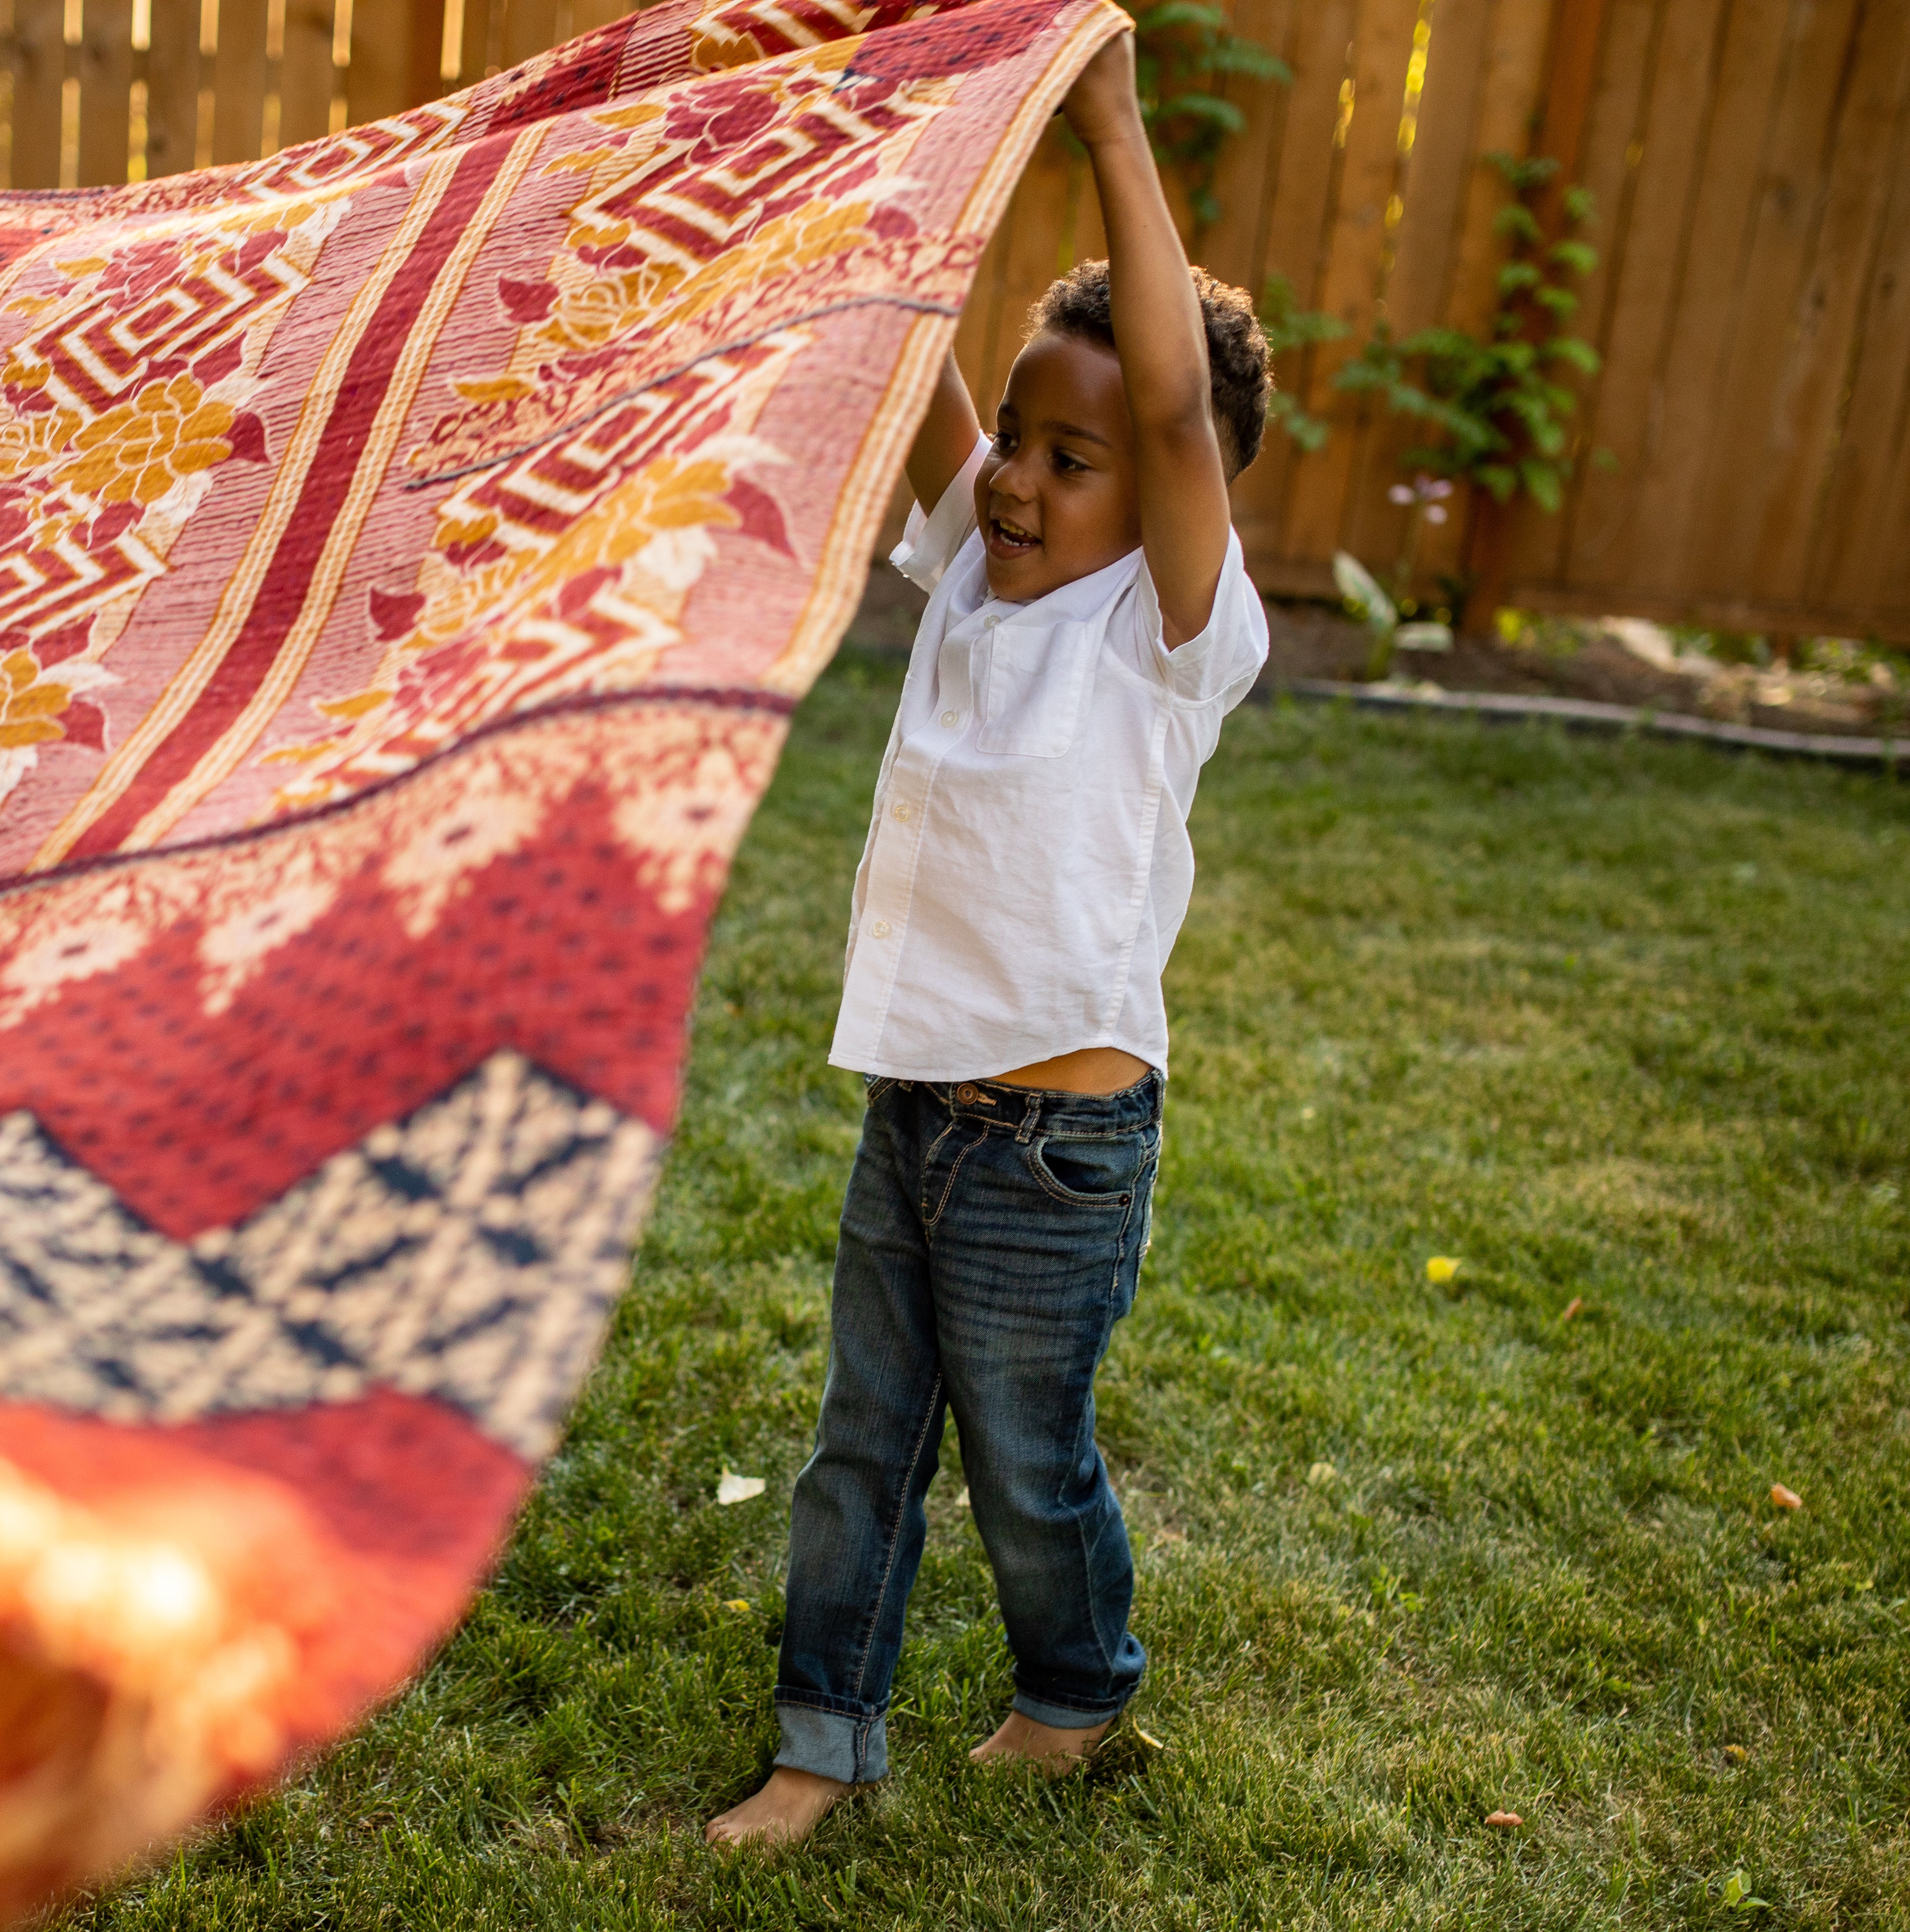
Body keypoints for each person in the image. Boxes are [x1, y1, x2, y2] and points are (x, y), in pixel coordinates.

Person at [706, 29, 1274, 1847]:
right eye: (1020, 445)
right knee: (862, 1444)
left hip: (1059, 1144)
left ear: (1173, 496)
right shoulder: (981, 563)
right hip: (918, 1108)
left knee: (1029, 1470)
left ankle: (1080, 1686)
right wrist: (902, 155)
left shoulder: (1166, 632)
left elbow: (1180, 415)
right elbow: (908, 380)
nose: (1021, 483)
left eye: (1074, 459)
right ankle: (821, 1747)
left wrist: (1106, 118)